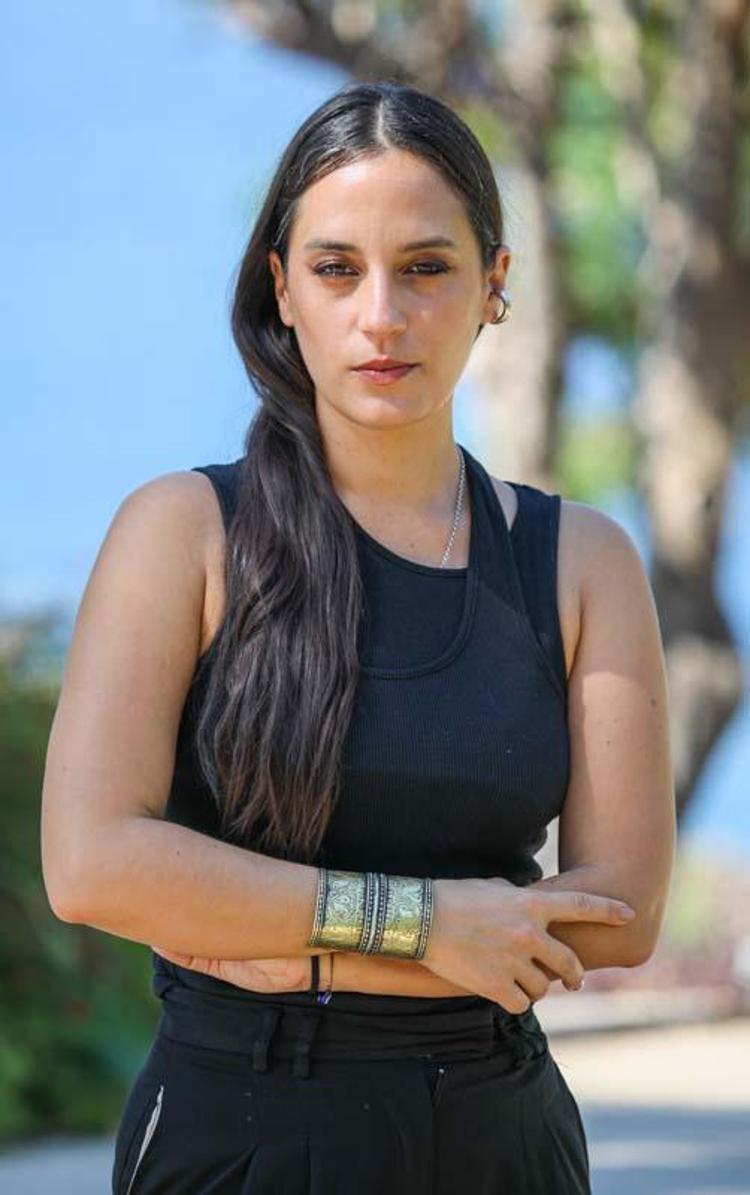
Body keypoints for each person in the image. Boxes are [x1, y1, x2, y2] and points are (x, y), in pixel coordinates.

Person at [41, 79, 675, 1194]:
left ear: (495, 285)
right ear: (282, 287)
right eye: (337, 269)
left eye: (426, 267)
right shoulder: (183, 532)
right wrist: (425, 923)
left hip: (504, 1143)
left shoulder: (582, 561)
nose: (382, 315)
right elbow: (93, 861)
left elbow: (618, 913)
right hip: (238, 1133)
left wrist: (295, 951)